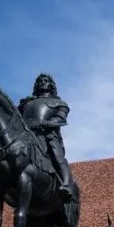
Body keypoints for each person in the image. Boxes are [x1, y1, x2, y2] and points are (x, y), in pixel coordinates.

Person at [17, 73, 74, 202]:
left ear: (51, 85)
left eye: (45, 80)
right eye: (40, 81)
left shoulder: (60, 103)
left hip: (48, 135)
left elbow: (61, 119)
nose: (42, 82)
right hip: (26, 136)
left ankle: (66, 185)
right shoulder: (25, 104)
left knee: (58, 157)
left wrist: (45, 123)